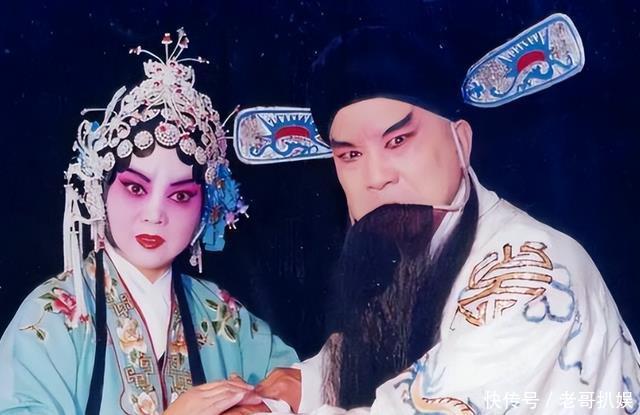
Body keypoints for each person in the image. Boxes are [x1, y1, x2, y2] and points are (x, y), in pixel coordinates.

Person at [252, 27, 640, 414]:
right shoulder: (407, 257)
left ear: (461, 142)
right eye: (351, 156)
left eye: (398, 141)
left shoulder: (532, 271)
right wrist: (297, 388)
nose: (376, 177)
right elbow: (370, 351)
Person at [0, 29, 297, 415]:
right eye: (135, 188)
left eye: (180, 195)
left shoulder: (223, 316)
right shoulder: (50, 318)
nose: (155, 214)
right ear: (101, 189)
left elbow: (301, 383)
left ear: (206, 206)